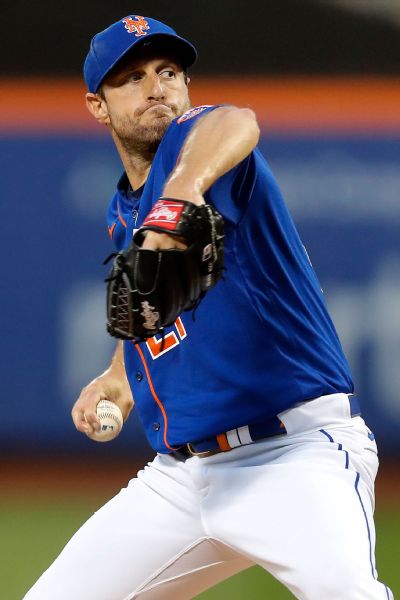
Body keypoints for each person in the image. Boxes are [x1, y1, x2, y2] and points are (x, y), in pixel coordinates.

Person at [25, 14, 393, 600]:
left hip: (295, 457)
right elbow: (156, 307)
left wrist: (181, 194)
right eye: (134, 77)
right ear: (98, 106)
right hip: (182, 478)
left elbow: (235, 120)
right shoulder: (126, 212)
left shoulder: (199, 149)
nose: (158, 87)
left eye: (169, 71)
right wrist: (118, 376)